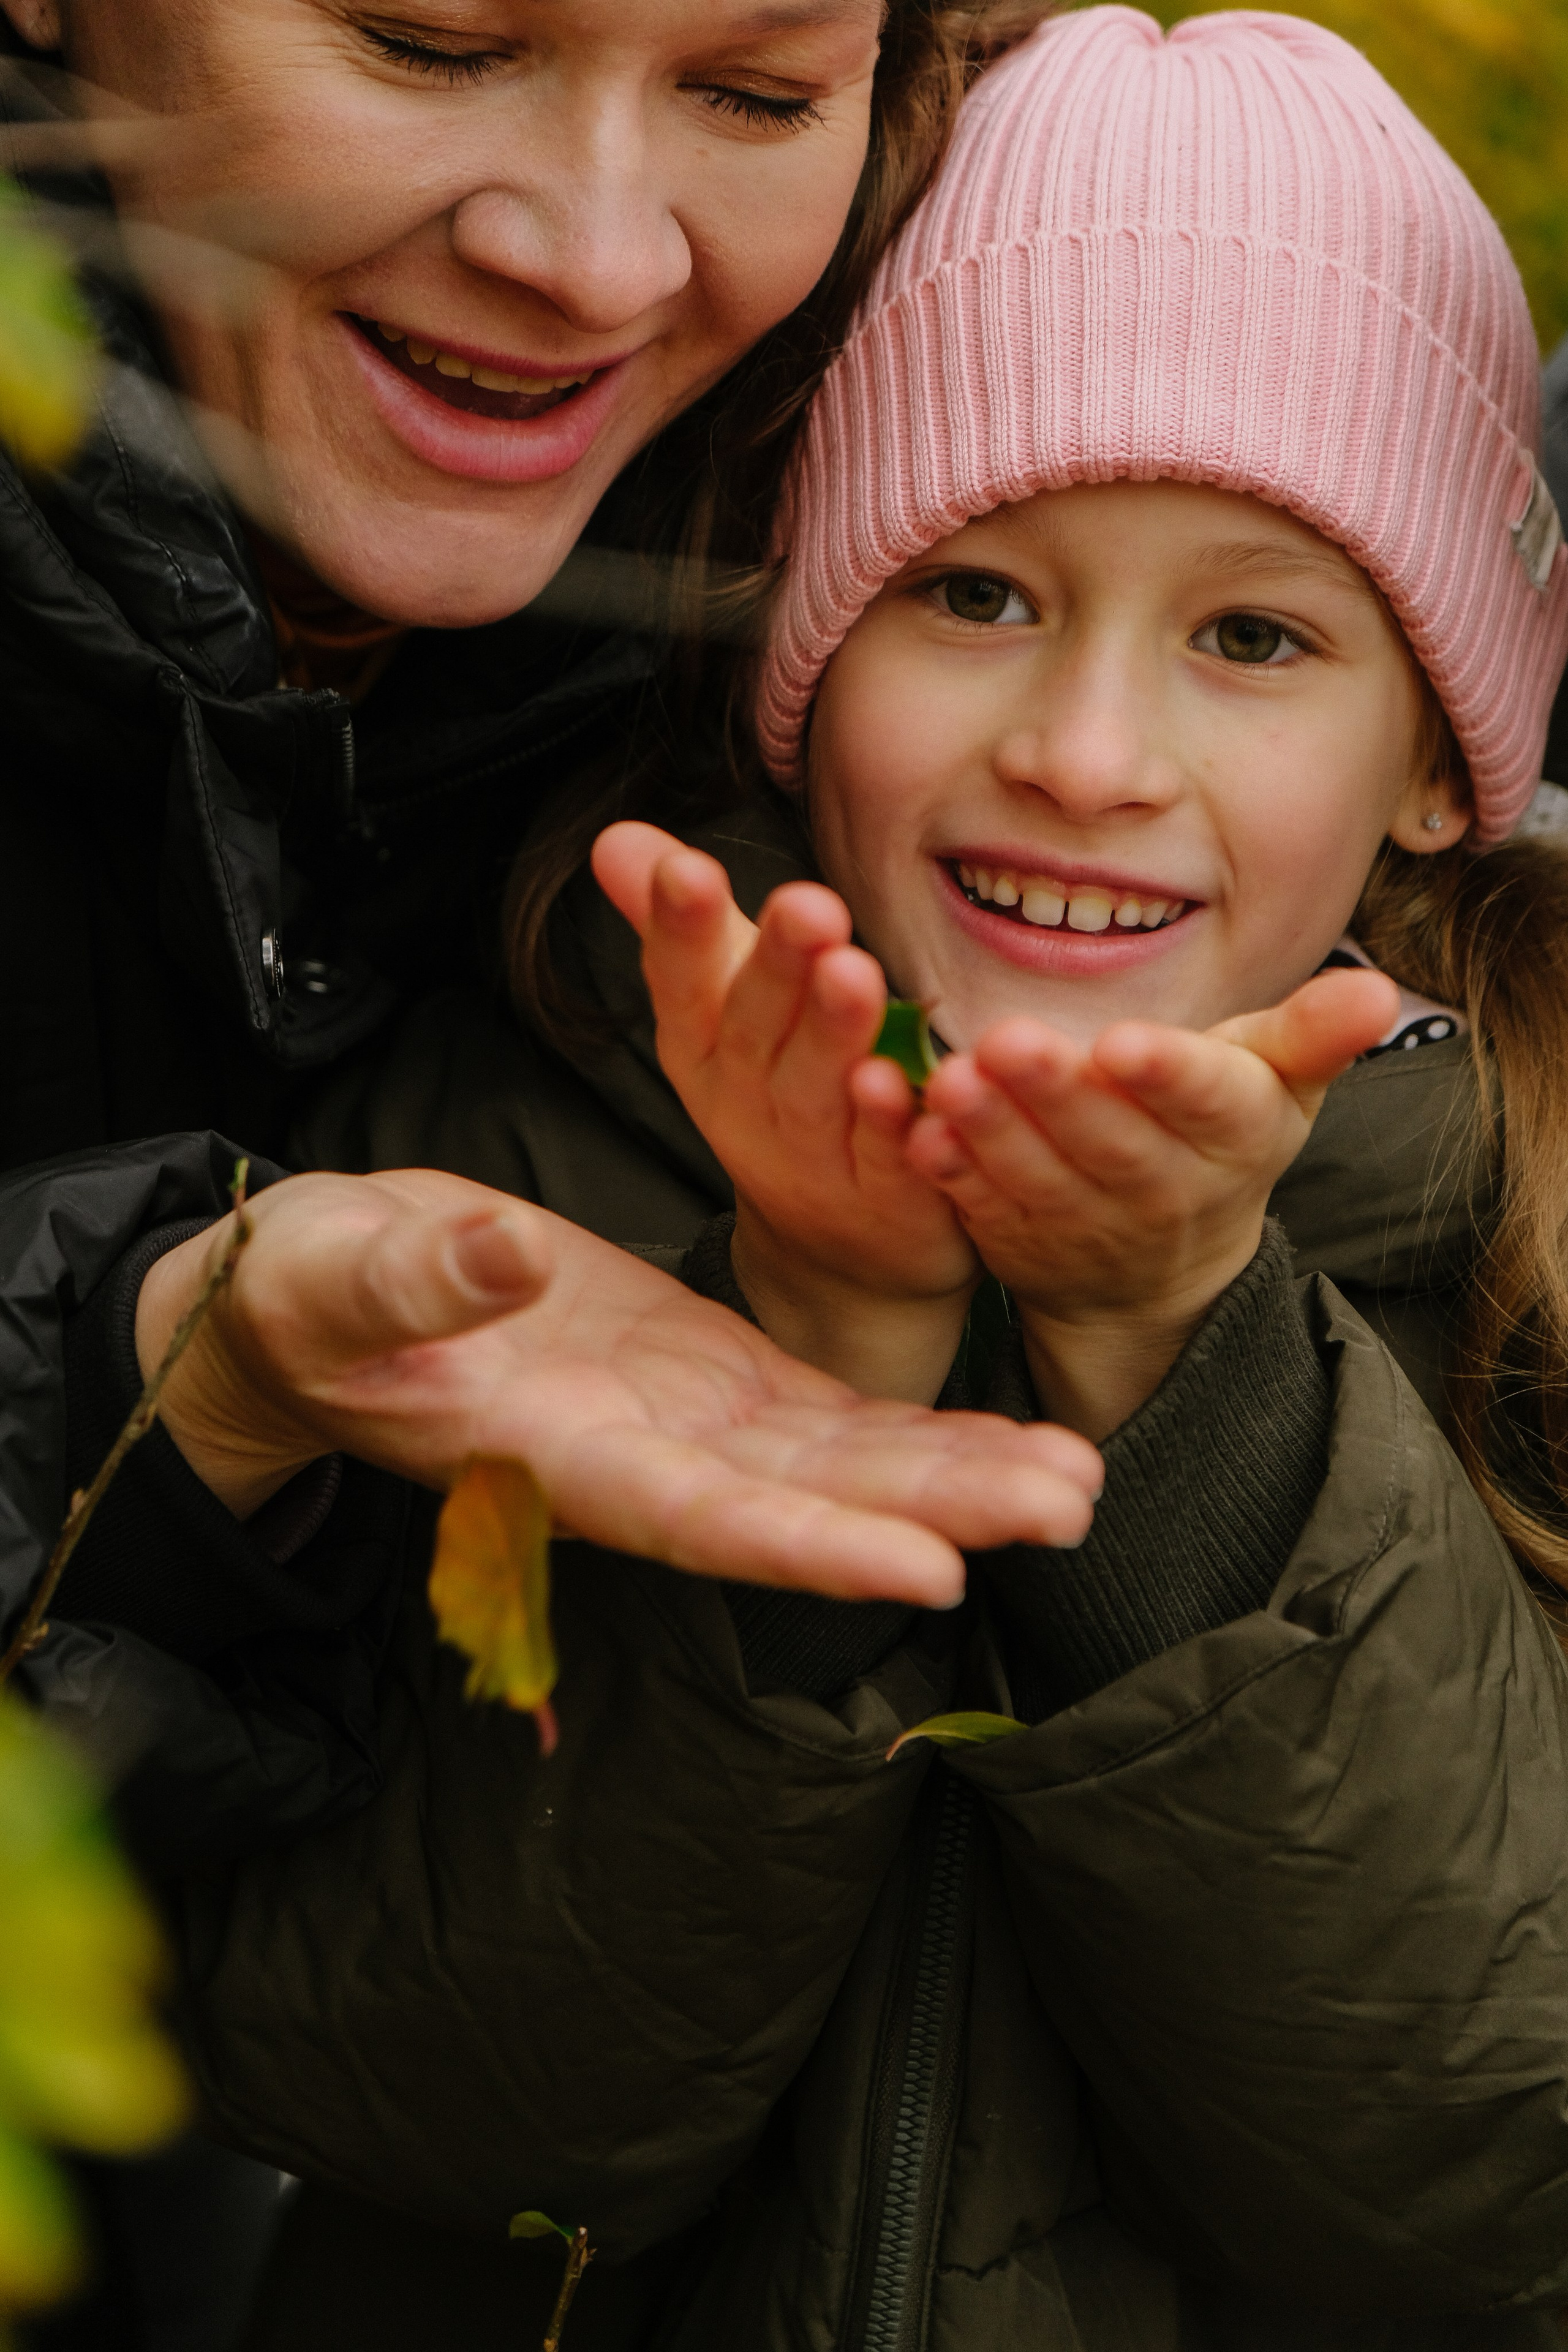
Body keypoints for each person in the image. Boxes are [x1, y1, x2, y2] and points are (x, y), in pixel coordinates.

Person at [168, 9, 1568, 2348]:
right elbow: (423, 2096)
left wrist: (1176, 1349)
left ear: (1438, 759)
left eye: (1254, 633)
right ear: (804, 658)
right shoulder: (507, 1130)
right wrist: (815, 1329)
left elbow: (1487, 2199)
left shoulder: (1528, 1234)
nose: (1090, 750)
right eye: (976, 593)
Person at [0, 2, 1105, 2343]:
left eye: (752, 95)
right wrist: (148, 1359)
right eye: (429, 36)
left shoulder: (838, 570)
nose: (596, 257)